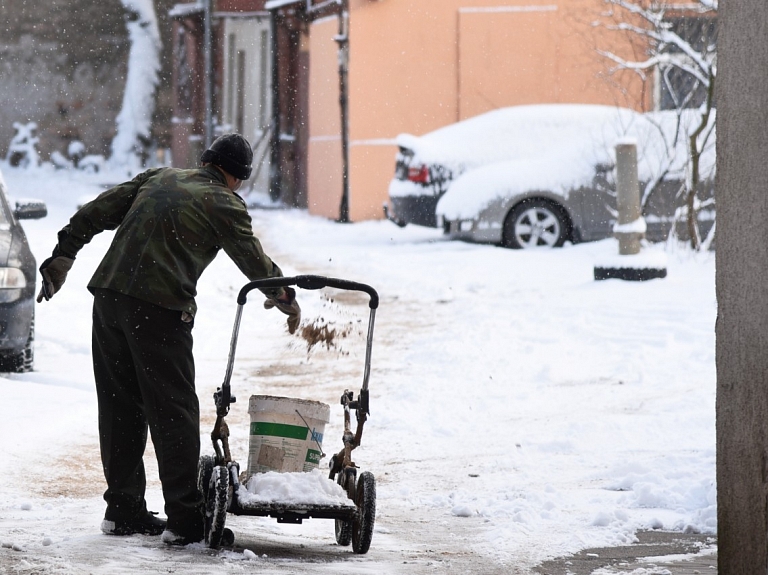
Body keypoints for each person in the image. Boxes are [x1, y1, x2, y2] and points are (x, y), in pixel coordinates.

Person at [36, 133, 301, 546]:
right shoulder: (225, 203)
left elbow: (96, 211)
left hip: (108, 298)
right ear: (238, 178)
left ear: (206, 160)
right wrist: (284, 295)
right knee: (173, 411)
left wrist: (64, 254)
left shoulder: (159, 177)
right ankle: (185, 520)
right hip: (157, 308)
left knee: (120, 405)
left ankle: (123, 509)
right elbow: (255, 262)